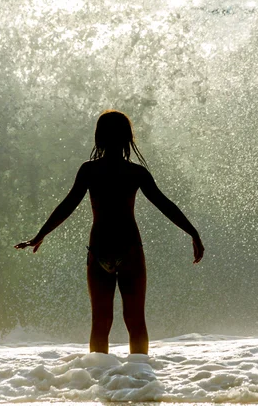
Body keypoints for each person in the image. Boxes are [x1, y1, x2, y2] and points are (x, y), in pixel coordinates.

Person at [15, 110, 204, 355]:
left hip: (100, 250)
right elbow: (165, 204)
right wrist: (193, 232)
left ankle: (99, 380)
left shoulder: (89, 171)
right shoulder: (136, 173)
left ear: (99, 138)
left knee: (100, 323)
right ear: (128, 138)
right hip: (130, 251)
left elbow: (67, 205)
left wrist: (40, 235)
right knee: (135, 322)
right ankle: (138, 380)